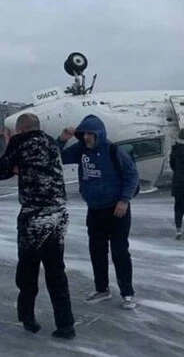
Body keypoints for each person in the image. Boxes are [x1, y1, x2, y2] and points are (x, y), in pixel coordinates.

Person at [0, 113, 75, 339]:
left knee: (28, 269)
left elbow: (1, 170)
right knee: (56, 271)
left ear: (21, 128)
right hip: (58, 215)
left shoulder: (19, 142)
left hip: (34, 217)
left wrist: (7, 145)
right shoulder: (50, 143)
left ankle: (28, 318)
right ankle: (66, 324)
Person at [57, 114, 139, 309]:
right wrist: (62, 139)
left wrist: (124, 200)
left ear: (99, 134)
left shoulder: (113, 150)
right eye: (83, 134)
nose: (86, 137)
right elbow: (58, 156)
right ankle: (102, 289)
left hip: (117, 210)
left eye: (90, 134)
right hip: (94, 209)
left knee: (120, 252)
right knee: (97, 251)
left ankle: (127, 293)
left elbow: (132, 174)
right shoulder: (81, 150)